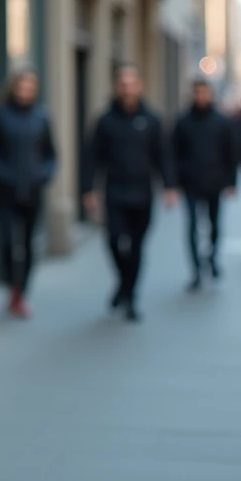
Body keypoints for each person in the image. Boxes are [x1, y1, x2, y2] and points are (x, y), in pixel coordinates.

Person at [80, 64, 177, 322]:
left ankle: (130, 296)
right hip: (115, 191)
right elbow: (92, 157)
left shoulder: (152, 119)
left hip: (143, 193)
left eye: (131, 82)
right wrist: (87, 188)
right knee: (112, 240)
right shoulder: (105, 120)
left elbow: (163, 156)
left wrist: (169, 186)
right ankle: (124, 284)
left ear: (139, 86)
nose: (127, 87)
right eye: (122, 83)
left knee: (136, 247)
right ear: (116, 87)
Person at [0, 67, 57, 318]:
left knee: (27, 244)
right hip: (5, 192)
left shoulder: (41, 116)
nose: (25, 91)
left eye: (29, 86)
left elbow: (51, 154)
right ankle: (12, 288)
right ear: (13, 87)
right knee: (7, 243)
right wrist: (3, 175)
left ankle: (21, 293)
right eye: (21, 86)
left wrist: (43, 175)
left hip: (32, 193)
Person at [171, 79, 239, 290]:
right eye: (197, 92)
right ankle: (196, 270)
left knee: (214, 225)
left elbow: (231, 153)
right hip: (190, 183)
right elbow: (173, 153)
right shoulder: (183, 122)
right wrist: (172, 183)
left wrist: (231, 182)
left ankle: (212, 257)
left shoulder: (221, 121)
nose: (201, 96)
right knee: (191, 226)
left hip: (214, 183)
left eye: (204, 92)